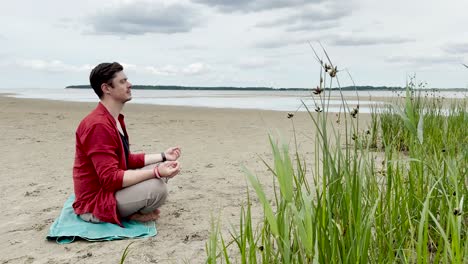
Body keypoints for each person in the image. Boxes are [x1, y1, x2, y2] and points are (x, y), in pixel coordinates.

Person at [72, 62, 181, 226]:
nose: (130, 84)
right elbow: (110, 179)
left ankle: (132, 209)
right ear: (106, 88)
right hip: (95, 203)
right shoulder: (98, 125)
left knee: (164, 164)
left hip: (110, 190)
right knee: (158, 189)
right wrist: (156, 173)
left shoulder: (114, 119)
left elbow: (126, 160)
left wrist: (164, 156)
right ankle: (129, 214)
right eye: (122, 82)